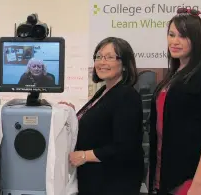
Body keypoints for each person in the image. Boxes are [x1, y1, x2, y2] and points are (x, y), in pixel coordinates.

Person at [148, 8, 201, 195]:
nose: (174, 41)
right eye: (171, 34)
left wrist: (198, 184)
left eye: (183, 36)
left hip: (195, 177)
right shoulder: (174, 72)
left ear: (197, 39)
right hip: (168, 172)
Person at [60, 37, 144, 195]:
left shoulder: (126, 95)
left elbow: (125, 147)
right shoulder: (105, 91)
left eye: (110, 57)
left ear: (125, 64)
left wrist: (85, 156)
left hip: (113, 183)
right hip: (95, 181)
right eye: (98, 56)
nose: (102, 62)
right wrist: (72, 113)